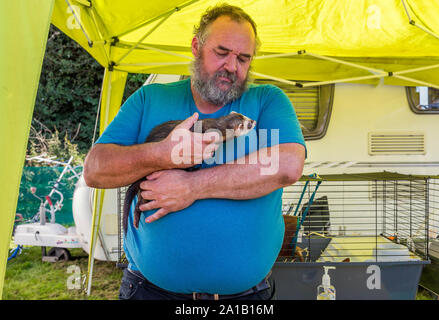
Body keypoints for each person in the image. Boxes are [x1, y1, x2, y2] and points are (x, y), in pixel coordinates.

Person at [83, 3, 306, 300]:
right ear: (196, 47)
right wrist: (162, 154)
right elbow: (95, 170)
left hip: (244, 297)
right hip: (150, 291)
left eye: (243, 58)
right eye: (221, 52)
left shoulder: (267, 101)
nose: (232, 66)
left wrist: (192, 186)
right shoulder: (150, 99)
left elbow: (288, 166)